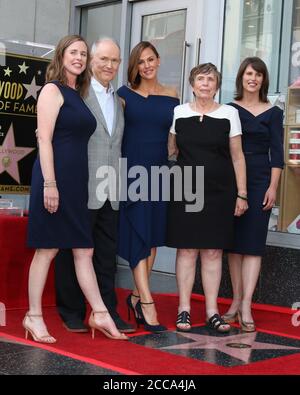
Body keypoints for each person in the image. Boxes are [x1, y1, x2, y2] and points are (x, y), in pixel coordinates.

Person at [25, 35, 127, 343]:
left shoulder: (77, 93)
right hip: (53, 180)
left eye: (83, 53)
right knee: (47, 250)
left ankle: (99, 312)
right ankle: (33, 316)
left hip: (77, 183)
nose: (79, 58)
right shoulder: (52, 91)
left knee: (85, 249)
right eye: (74, 52)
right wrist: (50, 184)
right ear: (62, 55)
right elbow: (44, 139)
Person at [55, 38, 135, 334]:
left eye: (114, 61)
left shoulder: (119, 100)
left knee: (105, 254)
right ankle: (71, 310)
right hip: (81, 183)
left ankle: (107, 311)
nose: (109, 65)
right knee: (72, 250)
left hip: (110, 187)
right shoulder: (77, 93)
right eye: (103, 59)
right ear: (91, 61)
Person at [166, 63, 248, 333]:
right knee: (187, 250)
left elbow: (237, 156)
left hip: (220, 192)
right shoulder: (179, 112)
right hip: (187, 191)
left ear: (216, 86)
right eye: (200, 79)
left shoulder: (229, 113)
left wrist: (242, 193)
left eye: (210, 80)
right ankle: (184, 310)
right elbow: (172, 151)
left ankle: (213, 311)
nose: (205, 84)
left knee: (213, 251)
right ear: (192, 85)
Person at [117, 41, 179, 332]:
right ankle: (147, 302)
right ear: (134, 66)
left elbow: (174, 138)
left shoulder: (173, 95)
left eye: (151, 59)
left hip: (159, 170)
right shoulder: (123, 95)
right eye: (140, 61)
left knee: (151, 236)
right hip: (131, 169)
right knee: (139, 234)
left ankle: (135, 297)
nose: (147, 65)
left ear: (158, 60)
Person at [222, 57, 284, 331]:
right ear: (241, 77)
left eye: (258, 75)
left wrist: (273, 187)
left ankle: (246, 304)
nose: (253, 78)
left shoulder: (273, 112)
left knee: (253, 245)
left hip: (260, 181)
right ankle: (235, 301)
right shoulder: (229, 109)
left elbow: (278, 155)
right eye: (249, 73)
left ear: (263, 80)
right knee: (234, 245)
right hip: (233, 180)